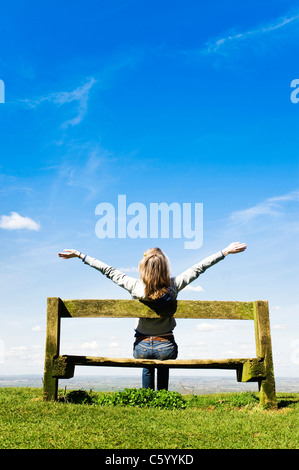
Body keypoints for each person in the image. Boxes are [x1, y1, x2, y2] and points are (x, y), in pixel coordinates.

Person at [58, 241, 247, 390]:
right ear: (165, 266)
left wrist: (80, 255)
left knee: (147, 365)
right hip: (166, 346)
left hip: (140, 347)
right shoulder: (174, 285)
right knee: (163, 363)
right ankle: (162, 397)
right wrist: (224, 252)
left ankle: (148, 398)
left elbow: (108, 271)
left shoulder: (133, 286)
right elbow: (198, 268)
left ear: (143, 267)